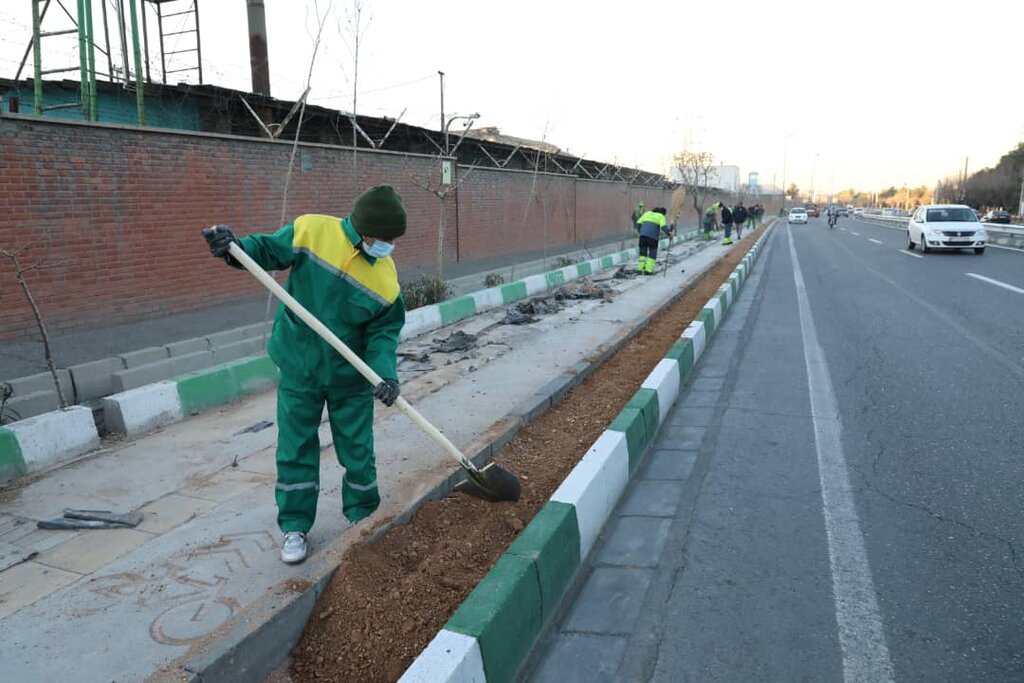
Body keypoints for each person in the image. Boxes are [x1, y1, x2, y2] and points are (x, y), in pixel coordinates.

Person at [202, 185, 407, 564]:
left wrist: (385, 375)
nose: (387, 246)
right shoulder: (311, 231)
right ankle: (295, 526)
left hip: (350, 376)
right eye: (382, 239)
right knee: (296, 448)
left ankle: (363, 517)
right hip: (299, 365)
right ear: (362, 229)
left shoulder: (386, 280)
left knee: (358, 450)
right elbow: (264, 251)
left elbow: (383, 335)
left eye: (392, 240)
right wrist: (234, 248)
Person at [634, 206, 670, 274]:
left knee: (642, 254)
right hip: (653, 238)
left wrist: (640, 232)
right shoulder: (660, 216)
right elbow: (663, 227)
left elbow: (638, 223)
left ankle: (639, 270)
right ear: (663, 213)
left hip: (643, 237)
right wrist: (669, 234)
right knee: (652, 254)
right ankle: (648, 270)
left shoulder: (647, 213)